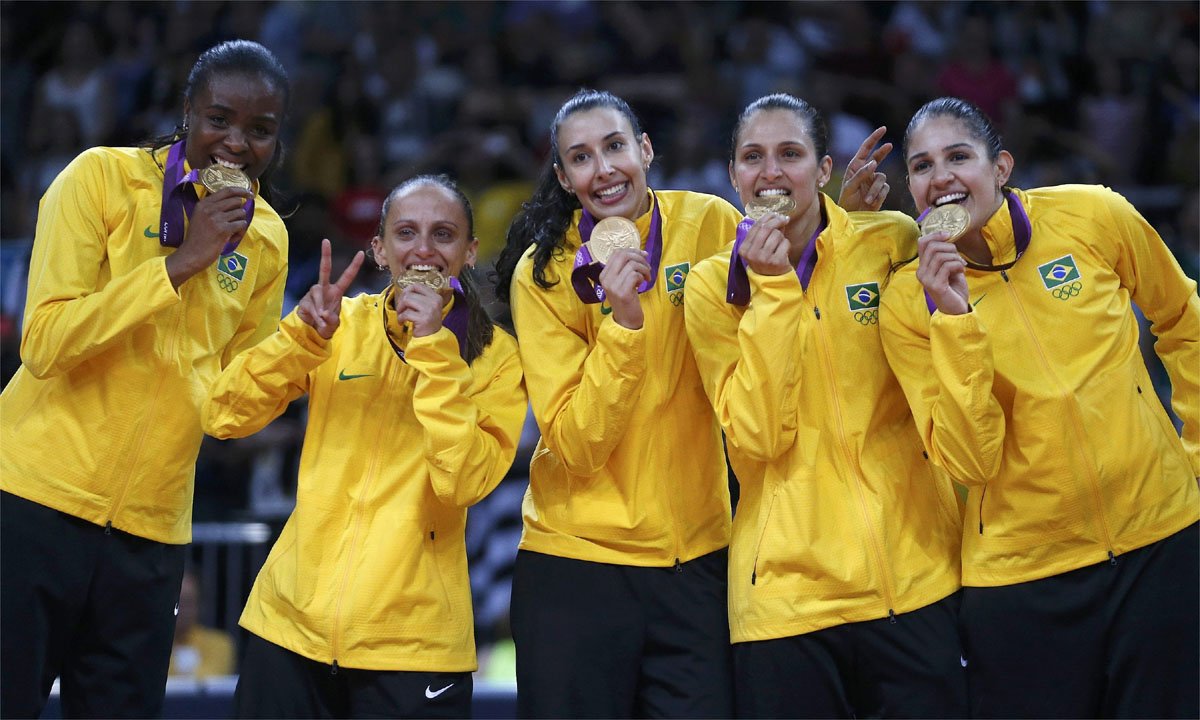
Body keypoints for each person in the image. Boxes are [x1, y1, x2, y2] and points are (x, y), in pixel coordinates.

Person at [880, 96, 1199, 719]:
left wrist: (1193, 459)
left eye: (958, 157)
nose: (940, 176)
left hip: (1160, 542)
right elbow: (969, 462)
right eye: (921, 166)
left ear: (1001, 167)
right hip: (1021, 578)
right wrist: (955, 320)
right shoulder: (905, 301)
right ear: (910, 188)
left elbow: (1183, 320)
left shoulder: (1094, 214)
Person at [0, 39, 290, 718]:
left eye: (260, 130)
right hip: (32, 503)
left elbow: (232, 407)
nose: (236, 143)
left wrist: (302, 348)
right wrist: (179, 264)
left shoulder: (267, 240)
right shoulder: (99, 179)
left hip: (152, 535)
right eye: (219, 118)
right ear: (187, 111)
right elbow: (44, 342)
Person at [683, 93, 967, 719]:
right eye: (752, 157)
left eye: (790, 154)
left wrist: (849, 219)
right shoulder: (711, 288)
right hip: (786, 603)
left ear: (823, 169)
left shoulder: (890, 240)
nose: (771, 172)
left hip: (913, 579)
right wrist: (775, 289)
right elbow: (756, 440)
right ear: (732, 176)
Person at [203, 175, 526, 718]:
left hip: (415, 647)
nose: (423, 249)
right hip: (290, 629)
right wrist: (300, 339)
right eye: (405, 232)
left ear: (469, 252)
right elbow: (223, 415)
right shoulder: (339, 326)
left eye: (443, 234)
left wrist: (434, 351)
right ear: (379, 250)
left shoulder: (497, 359)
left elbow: (463, 481)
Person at [491, 89, 742, 718]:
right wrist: (624, 326)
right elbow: (576, 445)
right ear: (563, 177)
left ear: (645, 150)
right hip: (579, 564)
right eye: (580, 158)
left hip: (698, 562)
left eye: (614, 147)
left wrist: (846, 223)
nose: (602, 169)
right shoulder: (544, 273)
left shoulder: (710, 223)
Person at [169, 569, 236, 680]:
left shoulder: (220, 643)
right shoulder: (152, 646)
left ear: (199, 605)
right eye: (176, 602)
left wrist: (176, 671)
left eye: (187, 602)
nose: (182, 610)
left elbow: (214, 676)